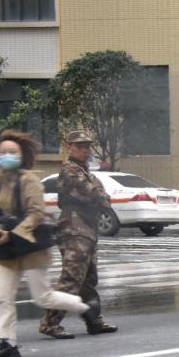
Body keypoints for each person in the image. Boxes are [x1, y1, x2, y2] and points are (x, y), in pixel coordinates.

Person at [0, 131, 93, 357]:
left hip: (31, 247)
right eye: (3, 152)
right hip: (8, 250)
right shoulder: (2, 181)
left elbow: (36, 214)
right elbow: (2, 216)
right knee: (2, 296)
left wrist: (12, 232)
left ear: (22, 155)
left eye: (12, 152)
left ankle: (84, 308)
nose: (7, 155)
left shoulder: (29, 180)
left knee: (43, 298)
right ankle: (7, 343)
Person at [38, 129, 117, 340]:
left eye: (87, 146)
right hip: (73, 230)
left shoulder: (85, 172)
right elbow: (94, 194)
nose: (85, 150)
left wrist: (101, 195)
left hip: (87, 230)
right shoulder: (70, 171)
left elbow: (102, 196)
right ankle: (50, 323)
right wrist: (100, 195)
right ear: (69, 148)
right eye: (80, 146)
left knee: (89, 280)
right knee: (71, 279)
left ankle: (94, 321)